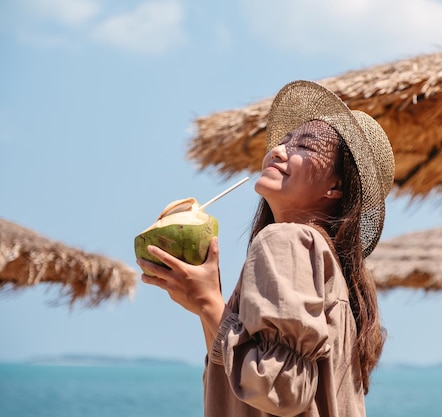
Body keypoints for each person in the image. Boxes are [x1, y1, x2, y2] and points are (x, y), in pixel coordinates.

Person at [138, 80, 395, 417]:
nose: (278, 150)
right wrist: (207, 307)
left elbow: (280, 388)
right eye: (284, 141)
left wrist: (208, 302)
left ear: (336, 185)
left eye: (306, 146)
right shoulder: (323, 260)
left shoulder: (286, 239)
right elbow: (237, 383)